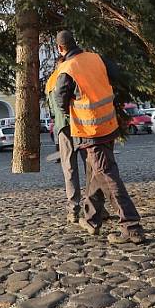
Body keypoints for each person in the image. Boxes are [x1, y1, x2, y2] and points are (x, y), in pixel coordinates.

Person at [54, 29, 145, 244]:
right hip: (108, 124)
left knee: (108, 176)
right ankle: (92, 219)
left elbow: (60, 101)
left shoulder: (66, 69)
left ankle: (131, 226)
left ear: (60, 48)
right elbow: (116, 75)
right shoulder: (96, 58)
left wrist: (74, 111)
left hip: (90, 131)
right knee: (97, 173)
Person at [46, 56, 107, 224]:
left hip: (63, 128)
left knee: (70, 169)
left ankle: (74, 209)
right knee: (91, 166)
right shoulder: (71, 74)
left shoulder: (50, 82)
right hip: (77, 125)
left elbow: (52, 109)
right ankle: (95, 207)